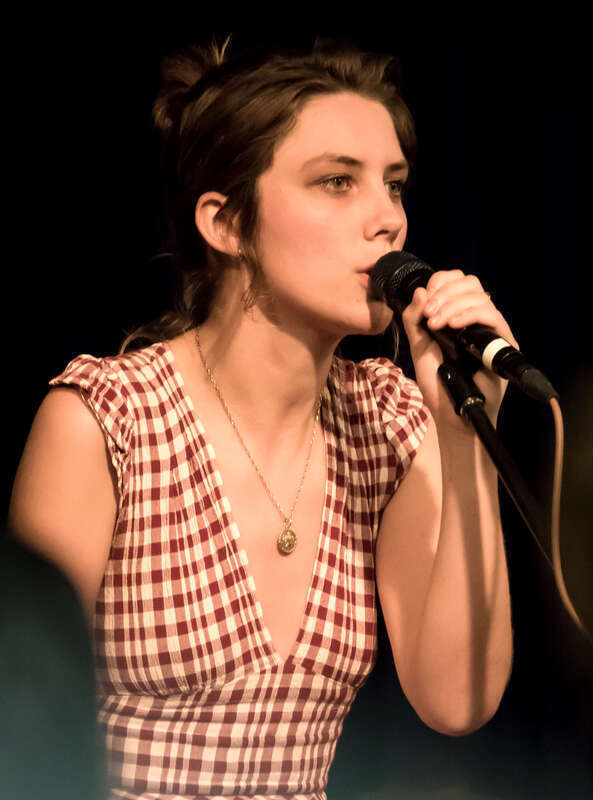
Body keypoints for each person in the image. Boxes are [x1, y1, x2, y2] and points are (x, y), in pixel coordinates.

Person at [8, 36, 515, 800]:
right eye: (336, 183)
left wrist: (463, 430)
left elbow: (457, 702)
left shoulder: (388, 420)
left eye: (394, 185)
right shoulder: (107, 421)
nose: (387, 221)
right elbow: (23, 727)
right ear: (226, 224)